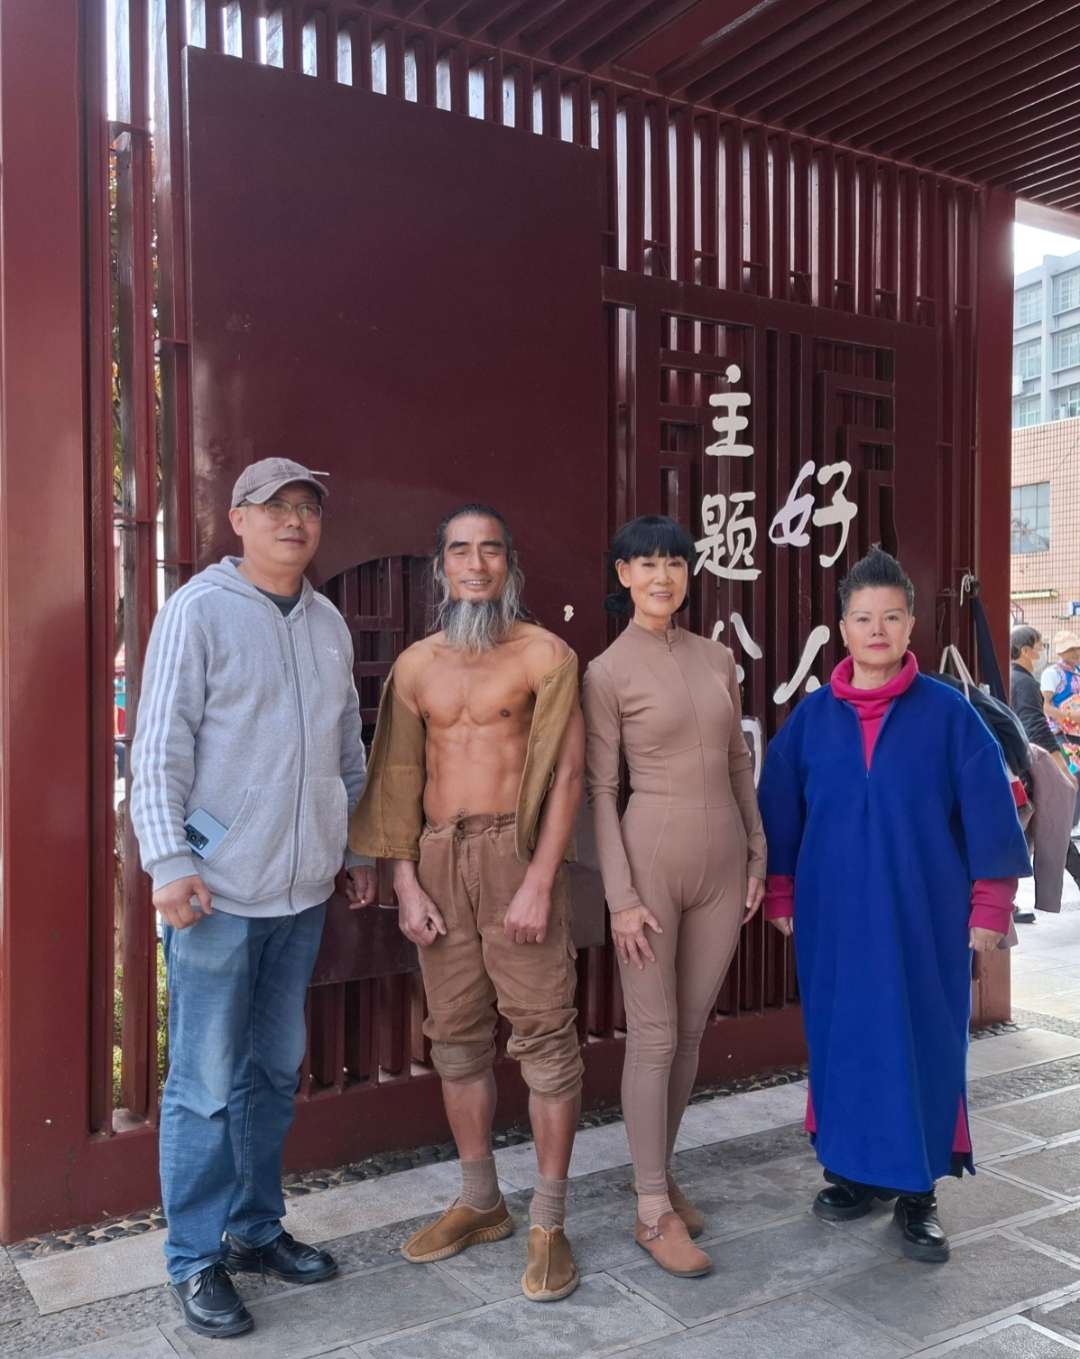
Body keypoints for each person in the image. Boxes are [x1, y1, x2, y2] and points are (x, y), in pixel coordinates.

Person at [131, 458, 377, 1339]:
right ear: (238, 518)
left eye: (308, 507)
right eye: (276, 506)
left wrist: (353, 846)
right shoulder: (199, 610)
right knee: (203, 1082)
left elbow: (348, 747)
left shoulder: (326, 621)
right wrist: (168, 860)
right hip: (216, 893)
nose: (294, 520)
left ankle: (254, 1226)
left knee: (272, 1071)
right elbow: (158, 746)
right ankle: (193, 1257)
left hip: (300, 893)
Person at [757, 546, 1030, 1264]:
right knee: (845, 1042)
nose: (877, 629)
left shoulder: (949, 715)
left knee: (922, 1042)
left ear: (910, 625)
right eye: (862, 617)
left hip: (924, 918)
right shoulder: (811, 721)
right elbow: (779, 813)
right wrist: (780, 890)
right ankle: (854, 1174)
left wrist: (991, 907)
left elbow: (990, 813)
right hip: (835, 920)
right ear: (843, 627)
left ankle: (918, 1192)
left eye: (891, 616)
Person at [348, 504, 585, 1303]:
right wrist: (404, 880)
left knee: (545, 1036)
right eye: (460, 550)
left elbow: (568, 777)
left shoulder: (545, 653)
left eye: (489, 550)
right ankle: (481, 1200)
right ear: (441, 566)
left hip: (517, 853)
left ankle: (549, 1221)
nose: (475, 564)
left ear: (508, 562)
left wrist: (540, 880)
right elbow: (396, 778)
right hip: (438, 858)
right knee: (454, 1037)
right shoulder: (416, 665)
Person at [581, 516, 765, 1278]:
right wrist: (620, 896)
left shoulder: (717, 657)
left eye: (675, 563)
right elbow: (600, 789)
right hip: (649, 863)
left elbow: (737, 761)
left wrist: (757, 850)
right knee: (654, 1036)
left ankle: (657, 1172)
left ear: (690, 574)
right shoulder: (605, 672)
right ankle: (652, 1208)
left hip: (724, 862)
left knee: (690, 1033)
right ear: (623, 575)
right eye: (647, 564)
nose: (662, 576)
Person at [1010, 626, 1080, 914]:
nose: (1041, 652)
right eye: (1039, 646)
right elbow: (1036, 725)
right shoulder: (1026, 682)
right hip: (1032, 766)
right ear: (1026, 650)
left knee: (1044, 829)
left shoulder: (1014, 677)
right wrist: (1062, 767)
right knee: (1052, 827)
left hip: (1021, 766)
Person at [1040, 630, 1080, 821]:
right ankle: (1067, 823)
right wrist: (1070, 716)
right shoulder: (1052, 673)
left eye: (1077, 648)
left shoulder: (1077, 671)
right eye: (1071, 649)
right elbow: (1045, 706)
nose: (1076, 652)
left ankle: (1074, 822)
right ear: (1060, 652)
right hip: (1060, 734)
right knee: (1070, 778)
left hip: (1076, 734)